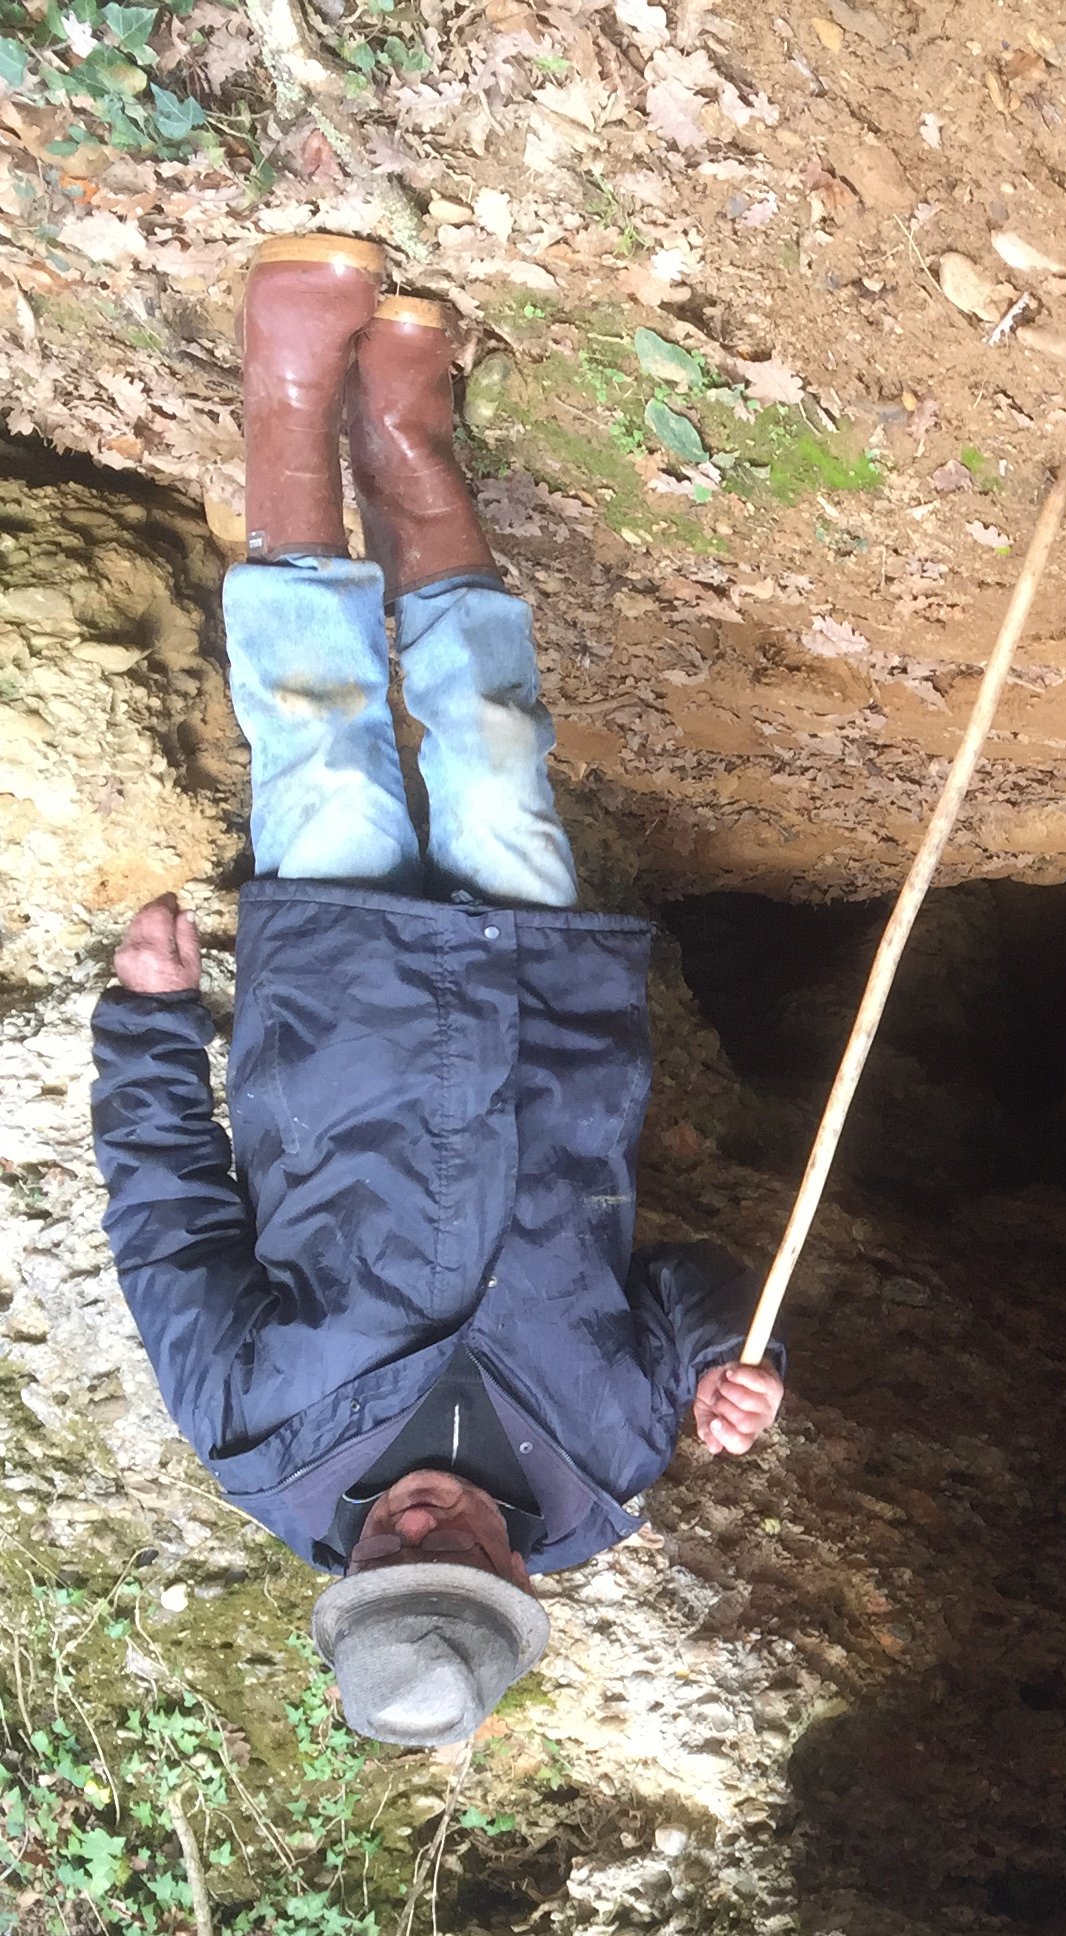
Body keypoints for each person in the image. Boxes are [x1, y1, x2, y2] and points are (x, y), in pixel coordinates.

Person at [89, 234, 784, 1750]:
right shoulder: (611, 1466)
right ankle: (406, 436)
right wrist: (735, 1363)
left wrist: (146, 1026)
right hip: (546, 1019)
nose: (406, 1523)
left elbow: (168, 1220)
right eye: (443, 1550)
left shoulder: (255, 1437)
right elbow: (687, 1283)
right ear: (516, 1576)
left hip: (340, 1009)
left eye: (379, 1556)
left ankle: (288, 389)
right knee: (492, 735)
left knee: (320, 730)